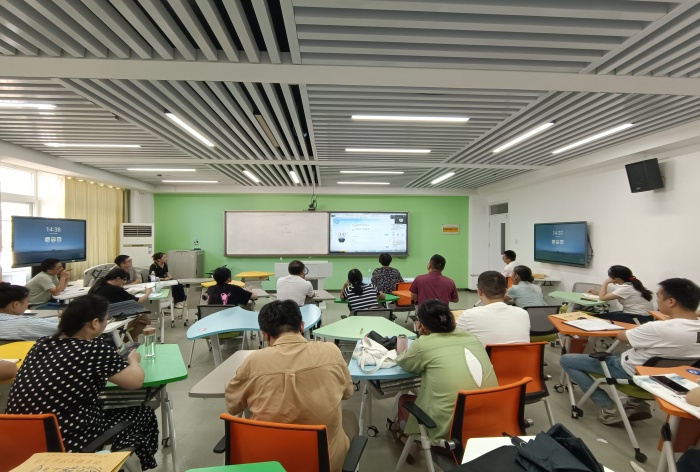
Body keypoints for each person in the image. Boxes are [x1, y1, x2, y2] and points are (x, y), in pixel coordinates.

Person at [6, 295, 159, 469]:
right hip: (65, 445)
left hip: (19, 443)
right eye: (106, 319)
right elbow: (135, 381)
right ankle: (124, 464)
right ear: (95, 323)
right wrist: (133, 360)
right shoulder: (93, 349)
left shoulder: (41, 345)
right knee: (144, 414)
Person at [225, 300, 356, 472]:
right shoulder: (331, 352)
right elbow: (347, 393)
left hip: (268, 466)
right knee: (349, 419)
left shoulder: (252, 362)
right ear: (302, 326)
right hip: (325, 465)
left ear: (265, 335)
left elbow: (232, 406)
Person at [560, 278, 700, 426]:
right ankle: (636, 403)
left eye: (659, 297)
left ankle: (609, 407)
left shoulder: (657, 328)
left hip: (630, 372)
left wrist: (639, 329)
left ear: (671, 302)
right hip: (670, 379)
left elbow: (622, 337)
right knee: (632, 356)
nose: (657, 301)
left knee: (567, 360)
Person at [395, 300, 497, 445]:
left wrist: (422, 336)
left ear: (421, 325)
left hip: (452, 433)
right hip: (491, 422)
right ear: (452, 320)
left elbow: (404, 363)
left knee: (404, 400)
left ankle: (407, 440)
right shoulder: (472, 338)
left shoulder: (423, 344)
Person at [456, 271, 530, 346]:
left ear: (479, 291)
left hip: (486, 354)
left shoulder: (468, 315)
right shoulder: (523, 313)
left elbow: (454, 339)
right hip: (522, 354)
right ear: (506, 291)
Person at [588, 265, 654, 324]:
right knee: (600, 316)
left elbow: (602, 298)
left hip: (639, 319)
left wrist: (606, 282)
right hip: (641, 316)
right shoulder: (631, 285)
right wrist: (597, 293)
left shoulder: (626, 288)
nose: (609, 278)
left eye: (610, 277)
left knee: (594, 318)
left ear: (617, 279)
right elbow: (610, 295)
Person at [88, 268, 153, 303]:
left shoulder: (99, 284)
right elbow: (139, 300)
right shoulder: (116, 289)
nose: (124, 283)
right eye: (124, 280)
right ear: (118, 279)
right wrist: (148, 292)